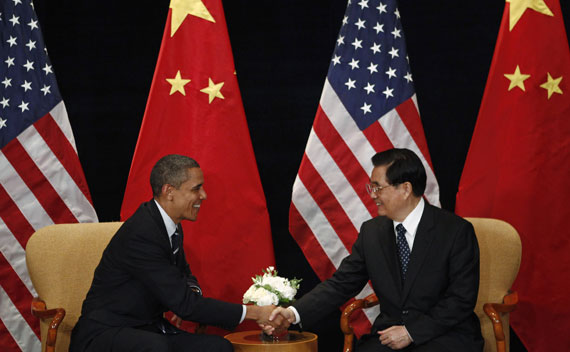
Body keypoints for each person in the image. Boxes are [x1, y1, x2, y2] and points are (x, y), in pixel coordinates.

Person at [266, 148, 484, 351]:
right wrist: (292, 313)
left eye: (378, 187)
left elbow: (461, 299)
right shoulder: (372, 232)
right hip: (388, 336)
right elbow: (340, 285)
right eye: (372, 187)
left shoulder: (455, 232)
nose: (372, 195)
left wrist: (411, 332)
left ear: (406, 189)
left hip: (444, 336)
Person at [69, 154, 275, 352]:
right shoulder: (142, 234)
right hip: (106, 333)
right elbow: (186, 306)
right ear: (169, 191)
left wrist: (189, 294)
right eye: (196, 188)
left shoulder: (169, 226)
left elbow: (185, 276)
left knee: (217, 347)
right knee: (157, 348)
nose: (203, 195)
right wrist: (254, 313)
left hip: (147, 328)